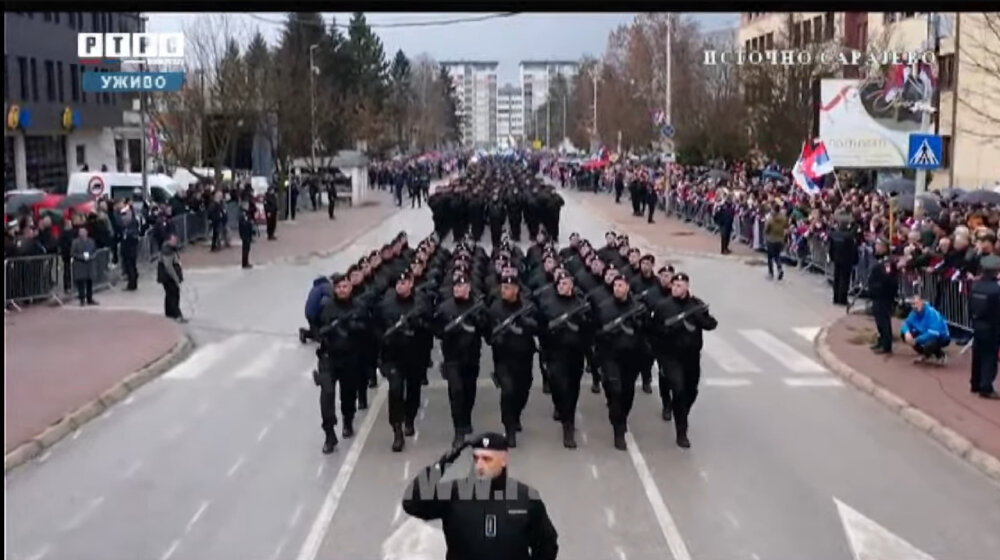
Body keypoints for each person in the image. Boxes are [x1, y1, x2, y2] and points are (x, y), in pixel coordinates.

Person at [401, 432, 559, 560]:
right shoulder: (455, 493)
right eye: (476, 459)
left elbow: (546, 544)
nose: (480, 465)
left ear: (504, 460)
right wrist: (444, 463)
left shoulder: (525, 497)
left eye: (487, 459)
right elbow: (412, 503)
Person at [648, 272, 717, 448]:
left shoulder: (696, 305)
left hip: (692, 357)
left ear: (687, 286)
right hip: (671, 357)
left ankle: (681, 411)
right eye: (673, 285)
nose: (675, 288)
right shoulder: (663, 307)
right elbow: (653, 332)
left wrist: (699, 316)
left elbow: (711, 324)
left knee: (691, 391)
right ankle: (681, 430)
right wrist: (660, 355)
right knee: (678, 390)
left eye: (679, 285)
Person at [592, 274, 650, 450]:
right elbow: (595, 332)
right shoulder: (605, 308)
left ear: (627, 288)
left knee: (627, 393)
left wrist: (638, 323)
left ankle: (622, 417)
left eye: (620, 285)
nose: (617, 288)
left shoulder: (638, 308)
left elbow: (647, 330)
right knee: (615, 391)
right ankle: (618, 431)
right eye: (615, 285)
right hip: (611, 357)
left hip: (632, 358)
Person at [376, 271, 432, 452]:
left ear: (411, 283)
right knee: (395, 390)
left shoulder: (421, 302)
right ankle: (397, 430)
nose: (401, 285)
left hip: (415, 355)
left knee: (413, 389)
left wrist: (419, 324)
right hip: (394, 357)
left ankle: (410, 419)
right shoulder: (386, 305)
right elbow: (377, 328)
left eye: (404, 282)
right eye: (398, 283)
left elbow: (431, 326)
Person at [432, 276, 489, 448]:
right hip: (452, 357)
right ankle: (458, 430)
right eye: (456, 286)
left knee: (469, 391)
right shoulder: (445, 307)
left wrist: (478, 321)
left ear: (469, 288)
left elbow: (486, 329)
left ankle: (466, 418)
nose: (458, 289)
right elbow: (436, 329)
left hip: (471, 357)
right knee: (456, 391)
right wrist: (449, 329)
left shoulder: (477, 307)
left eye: (462, 286)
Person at [317, 274, 369, 453]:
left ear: (351, 288)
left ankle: (348, 420)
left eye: (345, 287)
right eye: (338, 287)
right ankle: (329, 434)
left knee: (348, 394)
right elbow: (317, 328)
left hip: (350, 357)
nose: (341, 290)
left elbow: (366, 330)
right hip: (328, 358)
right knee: (326, 396)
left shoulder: (358, 307)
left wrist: (352, 327)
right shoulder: (327, 307)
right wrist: (328, 331)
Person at [539, 271, 592, 448]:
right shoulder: (549, 305)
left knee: (572, 389)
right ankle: (563, 412)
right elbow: (542, 330)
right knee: (559, 388)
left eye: (565, 283)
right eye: (560, 284)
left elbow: (588, 331)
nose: (562, 286)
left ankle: (568, 426)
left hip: (575, 355)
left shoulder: (580, 305)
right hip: (556, 355)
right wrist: (544, 353)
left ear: (572, 285)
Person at [485, 276, 539, 447]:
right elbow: (487, 330)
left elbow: (538, 326)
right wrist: (495, 339)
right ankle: (509, 429)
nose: (504, 290)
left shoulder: (528, 307)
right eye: (503, 287)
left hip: (524, 357)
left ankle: (515, 416)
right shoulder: (495, 308)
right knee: (508, 392)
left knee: (522, 391)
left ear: (516, 289)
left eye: (508, 287)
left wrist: (525, 323)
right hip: (504, 359)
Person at [968, 255, 1000, 399]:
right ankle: (986, 387)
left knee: (977, 355)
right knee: (989, 357)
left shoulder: (976, 286)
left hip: (977, 323)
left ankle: (975, 383)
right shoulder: (996, 290)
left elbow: (970, 305)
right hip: (991, 327)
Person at [867, 238, 899, 355]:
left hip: (883, 295)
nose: (876, 247)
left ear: (884, 247)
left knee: (883, 319)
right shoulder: (880, 260)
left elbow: (887, 279)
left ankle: (886, 344)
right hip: (877, 294)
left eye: (878, 245)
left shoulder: (887, 262)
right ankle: (881, 340)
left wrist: (878, 289)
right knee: (878, 319)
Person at [900, 295, 951, 365]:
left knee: (929, 344)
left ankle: (940, 355)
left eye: (916, 303)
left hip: (941, 336)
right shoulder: (914, 313)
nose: (914, 306)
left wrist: (917, 340)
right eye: (913, 304)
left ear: (922, 303)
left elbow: (934, 333)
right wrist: (907, 332)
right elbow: (906, 323)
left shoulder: (932, 313)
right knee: (904, 335)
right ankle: (925, 354)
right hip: (925, 333)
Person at [156, 234, 186, 323]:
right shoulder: (167, 251)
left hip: (166, 276)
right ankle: (177, 314)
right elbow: (169, 266)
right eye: (173, 240)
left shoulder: (170, 249)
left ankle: (169, 313)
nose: (175, 242)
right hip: (168, 277)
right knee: (173, 295)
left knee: (169, 295)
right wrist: (176, 278)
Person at [70, 227, 98, 306]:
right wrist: (81, 257)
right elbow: (72, 253)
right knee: (81, 283)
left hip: (90, 264)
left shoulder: (91, 241)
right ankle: (82, 299)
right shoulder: (75, 242)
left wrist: (91, 256)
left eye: (83, 232)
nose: (82, 234)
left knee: (89, 282)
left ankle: (89, 298)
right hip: (80, 264)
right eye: (80, 232)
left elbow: (95, 251)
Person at [300, 276, 332, 344]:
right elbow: (331, 296)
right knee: (320, 335)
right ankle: (310, 334)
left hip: (309, 313)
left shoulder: (315, 288)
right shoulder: (326, 286)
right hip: (316, 314)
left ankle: (305, 333)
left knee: (315, 330)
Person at [762, 204, 788, 279]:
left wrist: (765, 234)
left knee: (770, 257)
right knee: (777, 255)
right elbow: (786, 226)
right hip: (780, 239)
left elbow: (767, 229)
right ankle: (779, 269)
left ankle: (771, 273)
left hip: (771, 239)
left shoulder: (770, 219)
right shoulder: (783, 218)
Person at [238, 201, 256, 269]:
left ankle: (246, 262)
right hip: (245, 234)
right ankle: (244, 263)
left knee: (247, 249)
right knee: (245, 249)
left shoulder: (246, 214)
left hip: (247, 234)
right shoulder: (243, 214)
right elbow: (244, 225)